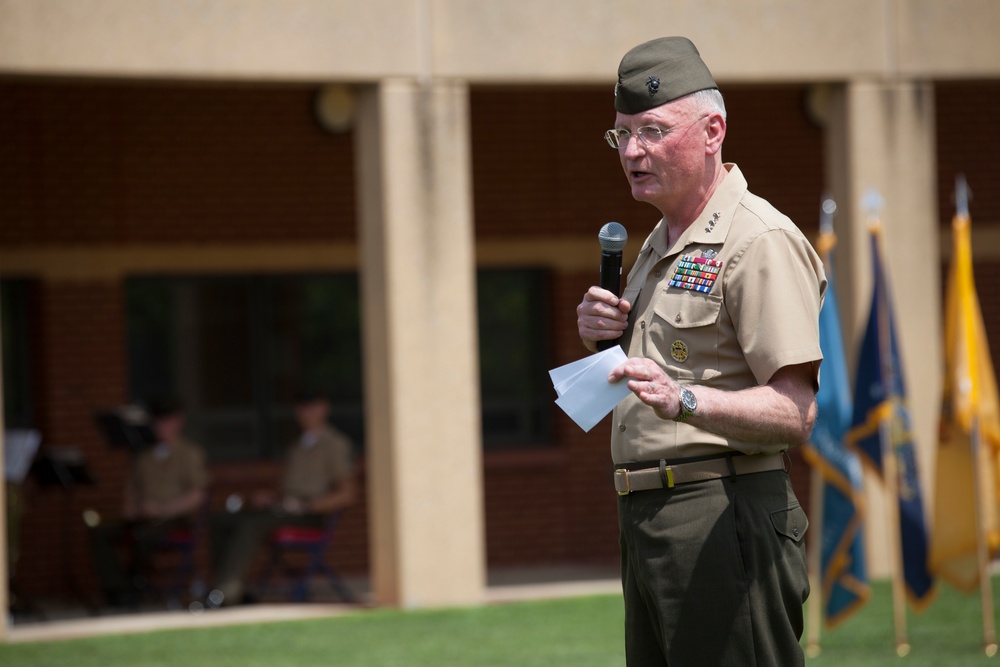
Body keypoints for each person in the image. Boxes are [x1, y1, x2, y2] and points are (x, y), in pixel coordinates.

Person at [576, 37, 826, 666]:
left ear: (712, 130)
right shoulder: (661, 242)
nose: (633, 152)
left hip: (722, 513)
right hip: (648, 514)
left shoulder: (757, 240)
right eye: (622, 135)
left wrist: (682, 399)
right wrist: (601, 339)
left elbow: (796, 412)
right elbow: (667, 362)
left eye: (653, 131)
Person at [207, 391, 356, 606]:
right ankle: (233, 589)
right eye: (303, 407)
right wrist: (271, 497)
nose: (307, 412)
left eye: (312, 406)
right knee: (222, 520)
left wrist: (307, 505)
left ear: (324, 408)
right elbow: (288, 488)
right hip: (283, 508)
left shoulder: (335, 444)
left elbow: (347, 494)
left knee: (251, 525)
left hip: (310, 515)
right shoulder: (296, 447)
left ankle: (224, 594)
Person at [87, 398, 209, 607]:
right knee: (99, 532)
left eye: (165, 421)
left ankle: (135, 585)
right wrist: (131, 506)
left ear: (178, 421)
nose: (160, 426)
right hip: (144, 518)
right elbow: (133, 488)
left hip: (174, 519)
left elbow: (197, 494)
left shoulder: (189, 453)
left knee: (143, 535)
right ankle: (118, 589)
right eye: (157, 421)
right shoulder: (145, 455)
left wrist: (162, 509)